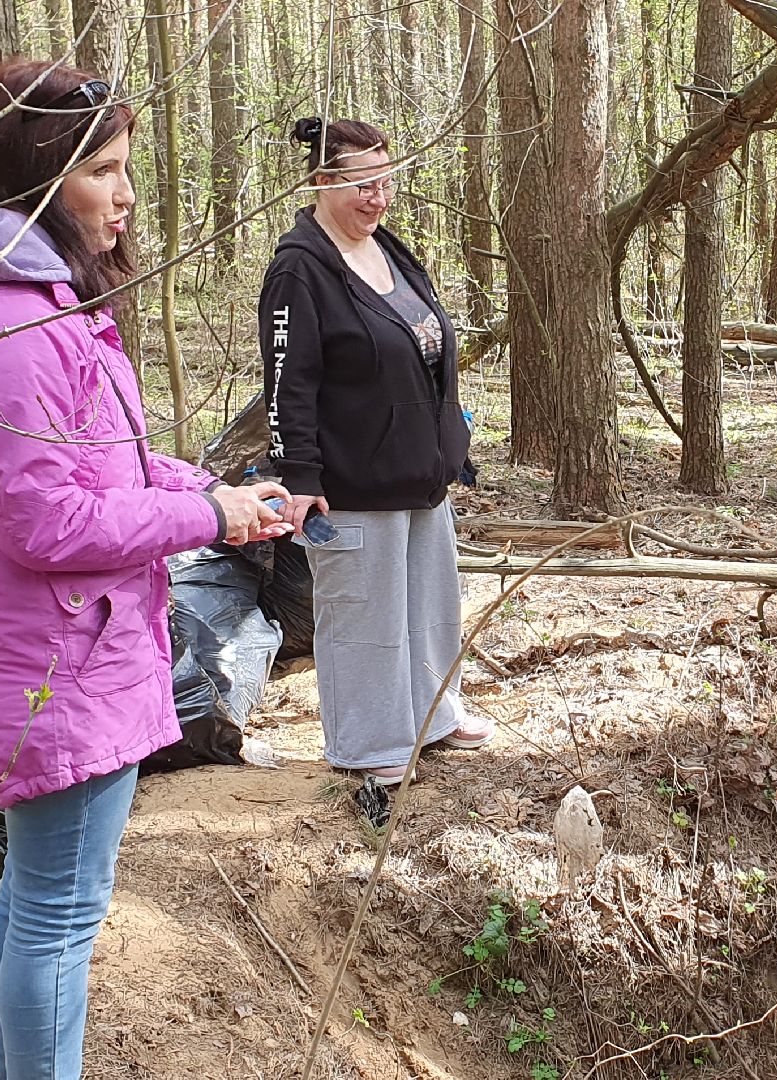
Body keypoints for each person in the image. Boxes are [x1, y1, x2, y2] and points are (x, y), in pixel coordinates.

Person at [0, 59, 288, 1078]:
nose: (125, 195)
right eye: (104, 171)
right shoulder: (9, 327)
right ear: (39, 175)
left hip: (81, 643)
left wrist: (219, 495)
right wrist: (199, 513)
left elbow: (97, 465)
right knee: (57, 912)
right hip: (59, 653)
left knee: (42, 898)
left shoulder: (38, 300)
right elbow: (44, 522)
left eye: (126, 169)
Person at [259, 117, 491, 780]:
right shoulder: (299, 271)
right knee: (363, 619)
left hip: (421, 476)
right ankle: (373, 748)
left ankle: (433, 717)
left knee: (429, 607)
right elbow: (286, 385)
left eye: (386, 181)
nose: (378, 197)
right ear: (322, 182)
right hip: (352, 482)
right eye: (362, 184)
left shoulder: (387, 247)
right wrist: (299, 476)